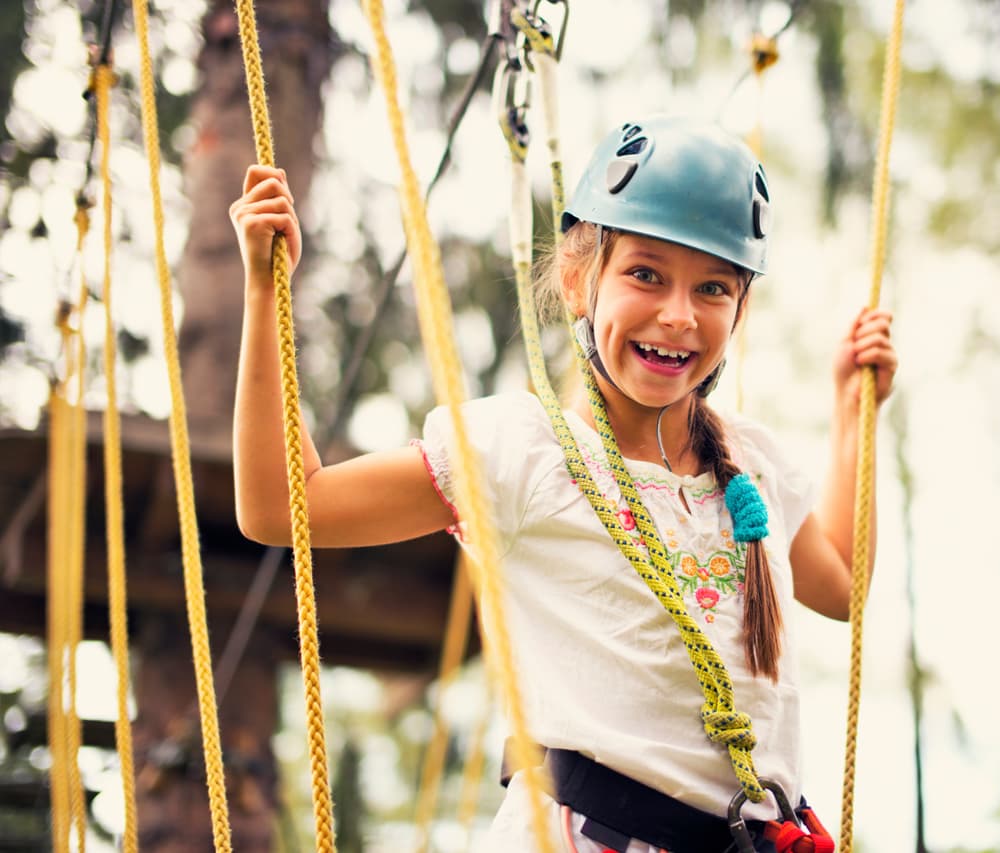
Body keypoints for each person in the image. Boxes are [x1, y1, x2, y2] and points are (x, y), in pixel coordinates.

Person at [230, 115, 896, 852]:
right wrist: (264, 298)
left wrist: (851, 415)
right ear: (580, 281)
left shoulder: (752, 461)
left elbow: (839, 587)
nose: (679, 315)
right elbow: (282, 505)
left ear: (740, 310)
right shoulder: (523, 449)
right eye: (646, 274)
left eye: (712, 287)